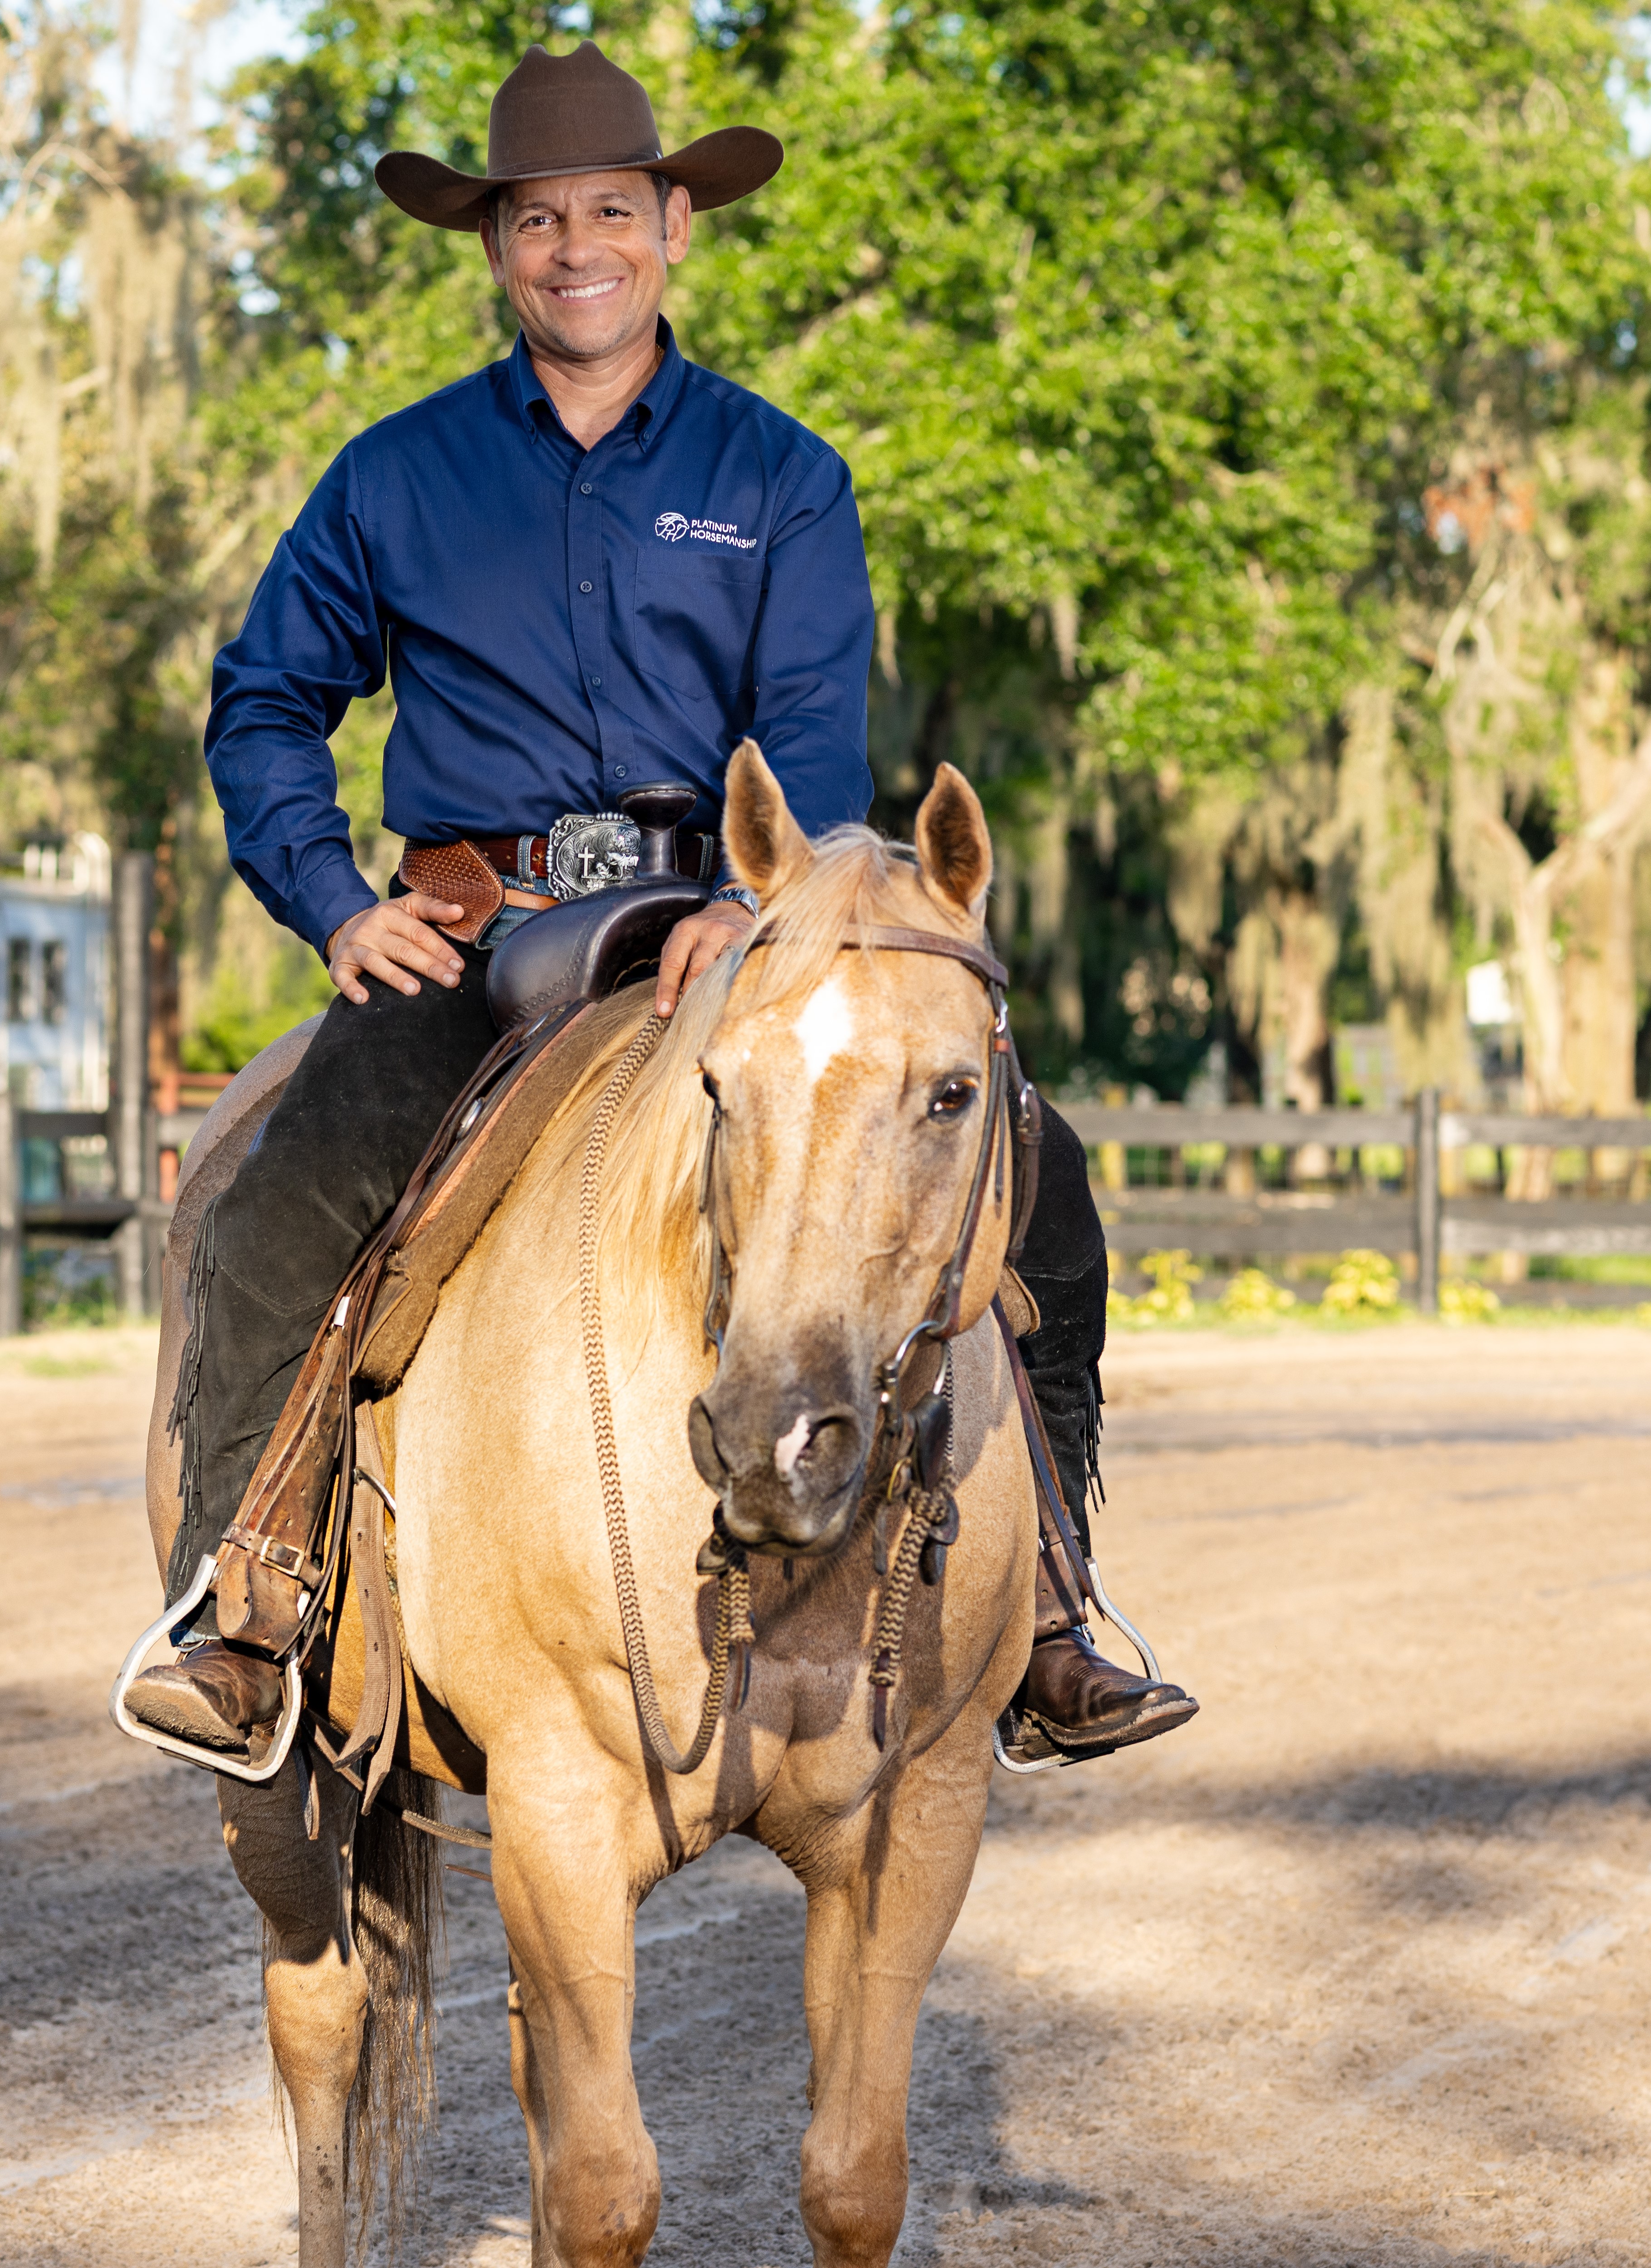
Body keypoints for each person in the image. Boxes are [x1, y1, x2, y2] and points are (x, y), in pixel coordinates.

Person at [126, 39, 1195, 1767]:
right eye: (536, 220)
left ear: (673, 226)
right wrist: (329, 899)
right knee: (279, 1200)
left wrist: (762, 912)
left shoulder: (781, 475)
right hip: (475, 933)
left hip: (723, 921)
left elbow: (810, 736)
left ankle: (1055, 1612)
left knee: (1040, 1177)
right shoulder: (391, 477)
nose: (574, 249)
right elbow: (262, 701)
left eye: (608, 212)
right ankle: (244, 1607)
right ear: (494, 248)